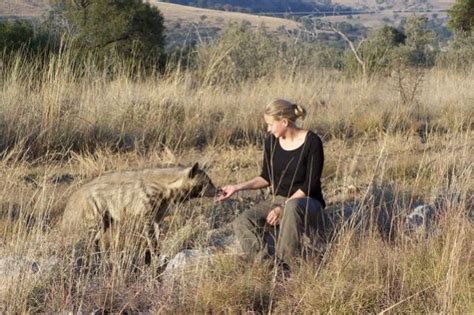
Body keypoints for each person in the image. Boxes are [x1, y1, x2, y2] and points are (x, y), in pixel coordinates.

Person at [218, 99, 325, 270]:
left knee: (291, 207)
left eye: (270, 124)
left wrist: (282, 206)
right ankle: (269, 266)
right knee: (243, 221)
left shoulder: (312, 142)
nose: (268, 129)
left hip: (307, 200)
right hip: (279, 199)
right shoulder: (271, 142)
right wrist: (237, 187)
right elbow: (266, 178)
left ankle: (287, 263)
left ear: (284, 122)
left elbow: (310, 185)